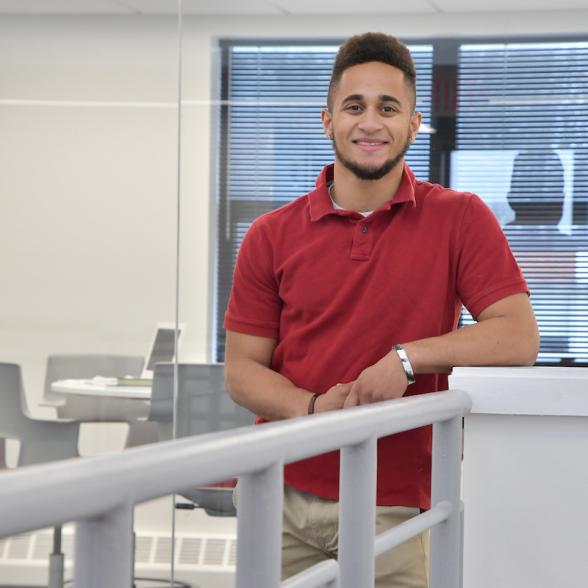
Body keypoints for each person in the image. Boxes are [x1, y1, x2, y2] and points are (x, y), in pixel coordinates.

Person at [224, 32, 539, 587]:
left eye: (388, 108)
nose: (370, 122)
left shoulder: (460, 219)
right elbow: (242, 370)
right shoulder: (269, 235)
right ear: (328, 121)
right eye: (354, 106)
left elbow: (517, 338)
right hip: (279, 495)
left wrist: (407, 360)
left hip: (392, 503)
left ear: (414, 125)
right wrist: (315, 407)